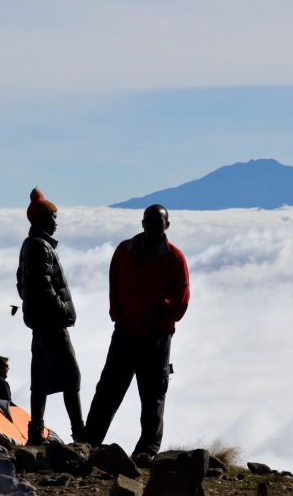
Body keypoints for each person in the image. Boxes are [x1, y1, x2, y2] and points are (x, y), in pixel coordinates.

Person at [85, 204, 190, 462]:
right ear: (142, 223)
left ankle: (146, 451)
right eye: (149, 222)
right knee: (108, 390)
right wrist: (118, 316)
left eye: (158, 222)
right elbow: (114, 285)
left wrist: (160, 322)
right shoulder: (125, 251)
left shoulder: (174, 259)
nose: (153, 227)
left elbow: (181, 299)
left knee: (152, 394)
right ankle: (88, 443)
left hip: (155, 338)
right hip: (125, 332)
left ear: (167, 225)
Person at [16, 187, 85, 444]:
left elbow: (21, 283)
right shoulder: (40, 247)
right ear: (42, 219)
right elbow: (42, 287)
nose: (56, 222)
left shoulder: (30, 245)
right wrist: (64, 311)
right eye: (53, 217)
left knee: (40, 379)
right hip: (52, 324)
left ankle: (36, 431)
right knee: (71, 377)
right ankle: (79, 433)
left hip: (40, 324)